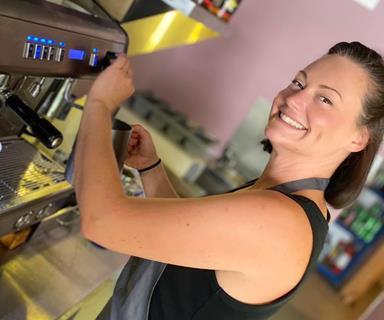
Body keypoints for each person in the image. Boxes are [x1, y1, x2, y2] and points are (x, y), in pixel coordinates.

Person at [73, 41, 384, 319]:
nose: (295, 99)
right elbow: (192, 251)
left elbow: (101, 222)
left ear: (358, 138)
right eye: (298, 82)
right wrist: (151, 167)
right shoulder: (286, 202)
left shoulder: (279, 221)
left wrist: (100, 103)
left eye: (325, 100)